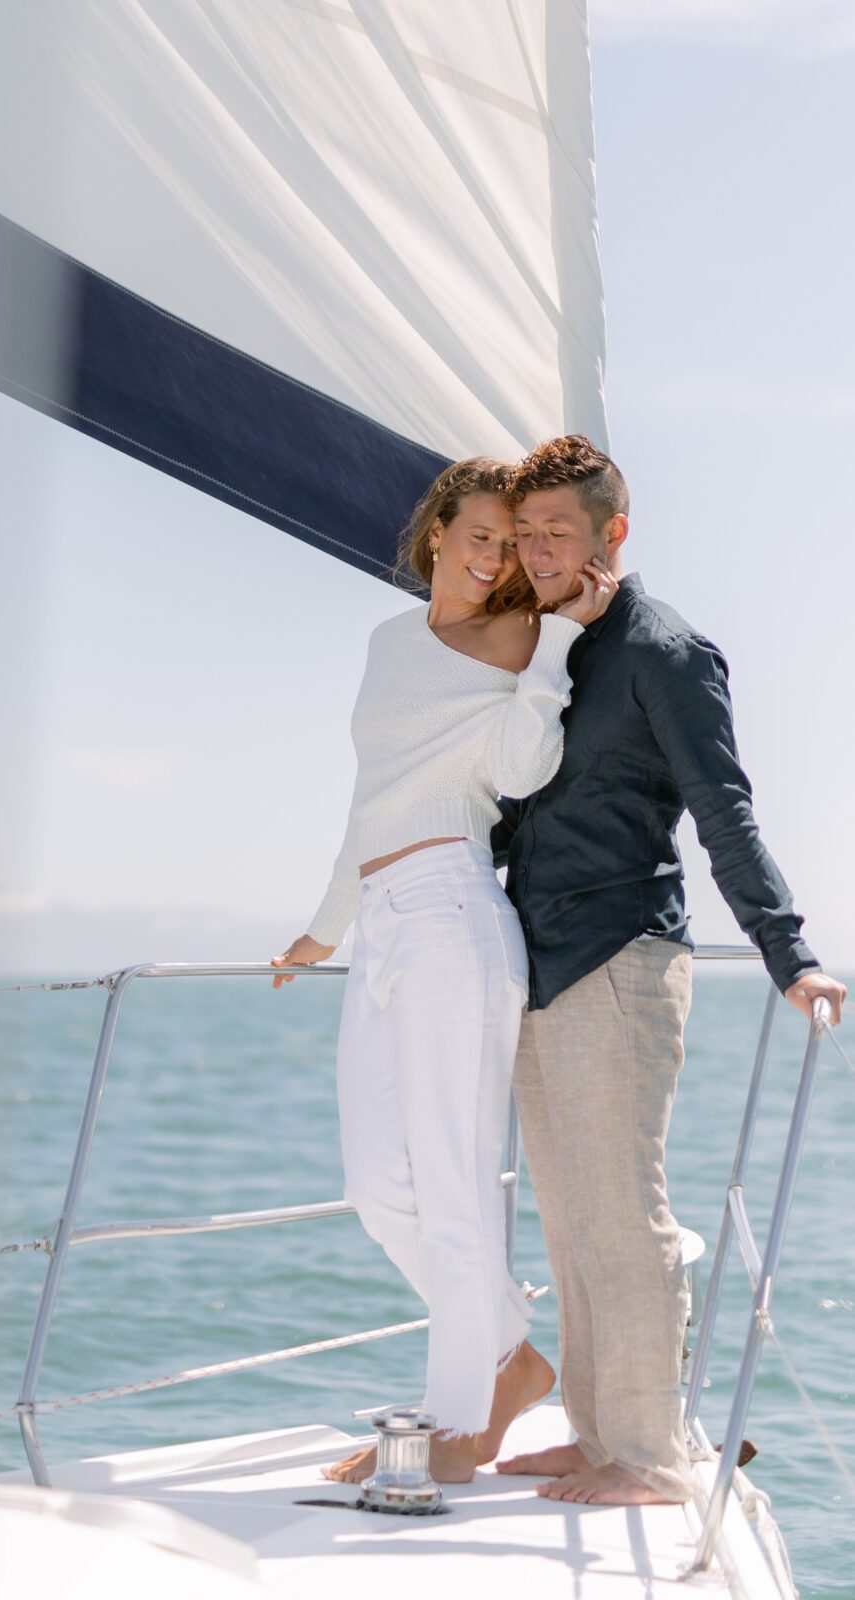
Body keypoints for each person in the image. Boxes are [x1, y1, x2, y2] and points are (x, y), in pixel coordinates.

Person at [490, 434, 847, 1506]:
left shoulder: (663, 650)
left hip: (619, 960)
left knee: (622, 1213)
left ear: (612, 533)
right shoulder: (558, 647)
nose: (537, 550)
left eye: (557, 530)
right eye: (524, 534)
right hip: (536, 963)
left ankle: (646, 1459)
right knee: (568, 1215)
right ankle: (599, 1430)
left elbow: (722, 811)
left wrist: (789, 951)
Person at [271, 456, 615, 1483]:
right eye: (479, 534)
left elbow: (516, 774)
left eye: (512, 543)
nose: (495, 554)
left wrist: (554, 644)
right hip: (382, 925)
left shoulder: (520, 637)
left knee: (456, 1189)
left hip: (454, 918)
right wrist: (324, 927)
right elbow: (369, 795)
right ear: (434, 534)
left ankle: (455, 1417)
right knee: (378, 1185)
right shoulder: (387, 642)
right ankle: (507, 1357)